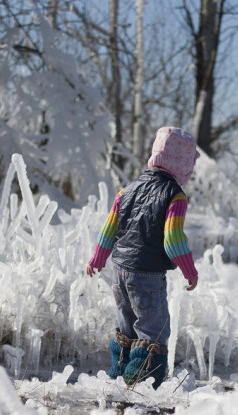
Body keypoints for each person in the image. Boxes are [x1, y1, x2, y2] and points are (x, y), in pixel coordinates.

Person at [86, 127, 199, 389]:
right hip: (147, 274)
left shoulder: (127, 190)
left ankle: (119, 375)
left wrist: (97, 259)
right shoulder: (175, 195)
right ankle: (141, 383)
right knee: (152, 329)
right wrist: (189, 270)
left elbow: (109, 229)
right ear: (183, 164)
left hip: (119, 271)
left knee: (126, 326)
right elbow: (173, 240)